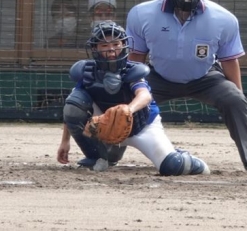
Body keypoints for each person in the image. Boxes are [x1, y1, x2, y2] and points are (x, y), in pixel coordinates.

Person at [125, 0, 247, 172]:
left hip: (205, 78)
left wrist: (238, 95)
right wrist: (131, 89)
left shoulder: (224, 18)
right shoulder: (141, 13)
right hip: (158, 76)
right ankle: (108, 155)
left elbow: (229, 60)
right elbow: (136, 56)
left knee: (235, 99)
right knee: (124, 101)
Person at [57, 20, 210, 176]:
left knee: (172, 166)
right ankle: (97, 157)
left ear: (124, 45)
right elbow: (72, 108)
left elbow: (144, 95)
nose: (111, 49)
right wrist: (65, 141)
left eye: (116, 44)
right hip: (105, 125)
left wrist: (128, 110)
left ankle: (188, 159)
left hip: (142, 126)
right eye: (104, 45)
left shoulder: (132, 70)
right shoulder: (88, 71)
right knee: (75, 101)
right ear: (95, 48)